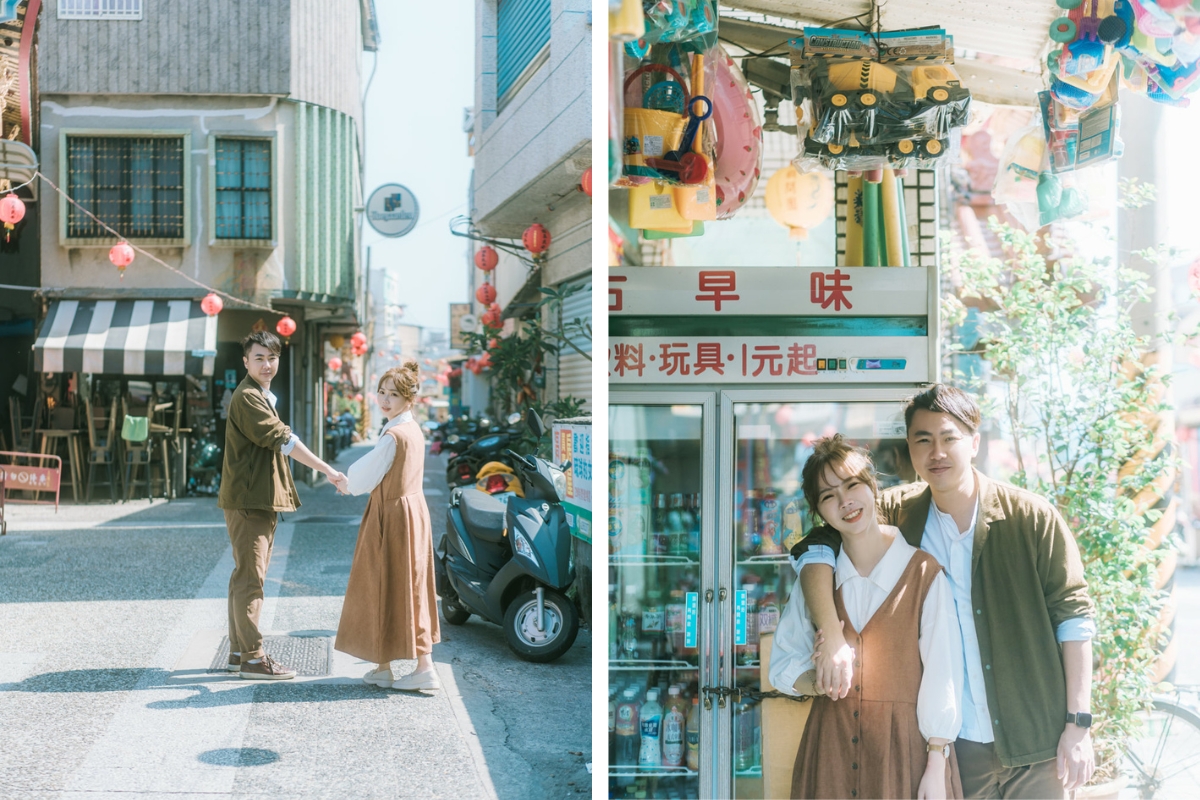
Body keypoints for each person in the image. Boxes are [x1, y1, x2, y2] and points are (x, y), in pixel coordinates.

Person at [793, 385, 1096, 798]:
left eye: (949, 438)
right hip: (957, 748)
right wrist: (831, 633)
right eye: (923, 440)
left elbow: (1075, 621)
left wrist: (1077, 726)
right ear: (909, 449)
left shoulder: (1032, 517)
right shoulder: (896, 513)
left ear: (974, 442)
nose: (937, 452)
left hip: (1036, 740)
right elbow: (818, 545)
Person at [771, 435, 964, 799]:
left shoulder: (922, 573)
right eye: (828, 496)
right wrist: (820, 680)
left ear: (872, 486)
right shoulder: (817, 580)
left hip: (905, 753)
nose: (845, 502)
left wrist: (937, 764)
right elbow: (783, 664)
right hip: (831, 750)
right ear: (819, 511)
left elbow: (944, 675)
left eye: (852, 484)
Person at [218, 331, 345, 680]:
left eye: (272, 358)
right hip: (249, 500)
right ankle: (253, 659)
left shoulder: (260, 394)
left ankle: (237, 652)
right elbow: (284, 440)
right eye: (258, 358)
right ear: (245, 362)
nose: (267, 364)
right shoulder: (248, 397)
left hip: (254, 498)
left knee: (244, 576)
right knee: (250, 579)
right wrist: (329, 471)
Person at [331, 361, 442, 691]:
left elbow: (363, 477)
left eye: (393, 394)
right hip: (412, 512)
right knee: (411, 585)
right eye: (381, 392)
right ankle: (394, 665)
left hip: (390, 514)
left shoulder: (393, 435)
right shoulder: (413, 429)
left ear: (409, 398)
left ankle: (415, 667)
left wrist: (345, 482)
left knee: (380, 583)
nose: (385, 399)